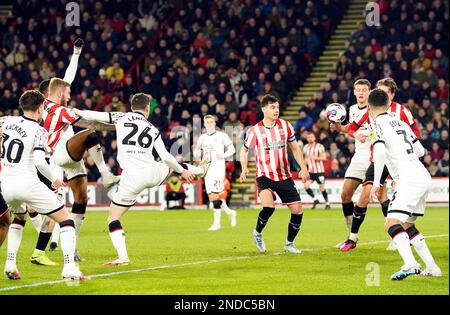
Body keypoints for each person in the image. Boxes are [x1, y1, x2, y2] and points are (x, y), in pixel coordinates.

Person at [74, 93, 210, 265]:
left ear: (132, 107)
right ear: (147, 109)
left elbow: (93, 115)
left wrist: (76, 111)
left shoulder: (122, 117)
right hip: (152, 173)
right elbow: (167, 157)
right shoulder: (153, 129)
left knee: (113, 218)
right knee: (172, 163)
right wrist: (181, 172)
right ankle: (199, 170)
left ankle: (123, 257)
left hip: (131, 179)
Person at [0, 90, 89, 280]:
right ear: (41, 108)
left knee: (19, 218)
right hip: (27, 182)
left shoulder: (6, 121)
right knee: (66, 220)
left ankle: (10, 263)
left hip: (6, 184)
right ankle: (69, 267)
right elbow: (40, 162)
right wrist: (55, 180)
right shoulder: (39, 130)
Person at [333, 78, 420, 252]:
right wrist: (356, 134)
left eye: (385, 92)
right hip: (377, 159)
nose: (379, 95)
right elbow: (352, 127)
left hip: (397, 160)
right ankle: (352, 237)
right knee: (365, 197)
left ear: (392, 94)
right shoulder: (370, 109)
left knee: (396, 199)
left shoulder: (402, 111)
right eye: (378, 91)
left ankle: (400, 236)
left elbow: (415, 134)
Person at [368, 88, 441, 279]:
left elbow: (380, 152)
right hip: (421, 174)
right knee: (407, 225)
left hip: (408, 178)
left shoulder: (375, 124)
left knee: (391, 223)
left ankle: (410, 264)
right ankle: (433, 268)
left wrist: (376, 183)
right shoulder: (400, 122)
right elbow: (420, 151)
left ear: (369, 106)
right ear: (387, 104)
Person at [240, 94, 310, 254]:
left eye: (277, 107)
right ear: (264, 109)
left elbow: (295, 148)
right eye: (272, 107)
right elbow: (244, 150)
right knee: (268, 207)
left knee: (298, 211)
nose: (276, 110)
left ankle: (289, 244)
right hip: (264, 176)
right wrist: (244, 168)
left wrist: (303, 167)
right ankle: (257, 233)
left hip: (284, 176)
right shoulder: (254, 131)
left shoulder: (286, 126)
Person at [330, 79, 372, 247]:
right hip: (359, 156)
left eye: (364, 89)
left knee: (379, 197)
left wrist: (356, 135)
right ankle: (351, 234)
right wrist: (339, 128)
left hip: (375, 156)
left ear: (369, 92)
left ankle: (396, 237)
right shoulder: (352, 109)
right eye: (358, 90)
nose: (361, 92)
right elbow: (352, 128)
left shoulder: (374, 108)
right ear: (354, 92)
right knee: (345, 195)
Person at [194, 115, 236, 231]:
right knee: (212, 197)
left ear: (215, 123)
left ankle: (217, 224)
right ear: (204, 124)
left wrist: (223, 155)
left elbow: (232, 149)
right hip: (207, 169)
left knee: (215, 194)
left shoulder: (221, 135)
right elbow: (197, 151)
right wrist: (198, 157)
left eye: (212, 122)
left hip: (218, 168)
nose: (210, 124)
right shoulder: (202, 137)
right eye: (207, 122)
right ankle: (230, 212)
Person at [302, 132, 330, 209]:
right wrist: (303, 167)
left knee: (322, 188)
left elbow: (324, 157)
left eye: (311, 137)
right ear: (307, 139)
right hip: (311, 171)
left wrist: (315, 157)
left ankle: (327, 203)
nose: (310, 138)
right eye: (308, 137)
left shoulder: (319, 146)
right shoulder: (305, 147)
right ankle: (315, 199)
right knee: (306, 186)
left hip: (319, 171)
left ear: (314, 138)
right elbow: (306, 159)